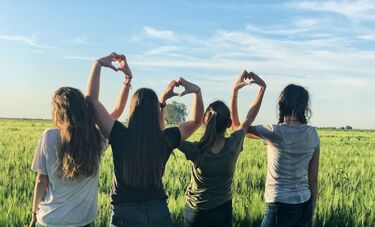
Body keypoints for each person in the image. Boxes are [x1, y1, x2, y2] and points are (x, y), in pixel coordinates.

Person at [85, 53, 204, 227]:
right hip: (159, 212)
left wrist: (98, 64)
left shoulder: (119, 135)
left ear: (132, 111)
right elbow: (196, 121)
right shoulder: (166, 138)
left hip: (124, 214)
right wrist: (196, 91)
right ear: (157, 112)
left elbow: (91, 101)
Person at [30, 66, 131, 227]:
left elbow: (41, 180)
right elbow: (117, 111)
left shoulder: (48, 136)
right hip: (82, 221)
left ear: (58, 113)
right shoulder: (96, 139)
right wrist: (127, 79)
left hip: (50, 219)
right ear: (84, 110)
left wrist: (34, 214)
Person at [177, 70, 266, 227]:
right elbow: (249, 117)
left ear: (205, 123)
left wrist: (163, 102)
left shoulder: (196, 149)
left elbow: (168, 136)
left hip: (196, 212)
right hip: (222, 210)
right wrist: (260, 88)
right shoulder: (234, 144)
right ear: (229, 123)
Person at [231, 84, 320, 227]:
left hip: (279, 205)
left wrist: (234, 93)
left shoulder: (275, 131)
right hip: (304, 204)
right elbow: (313, 179)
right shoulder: (313, 134)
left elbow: (237, 128)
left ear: (282, 104)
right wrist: (311, 215)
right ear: (304, 106)